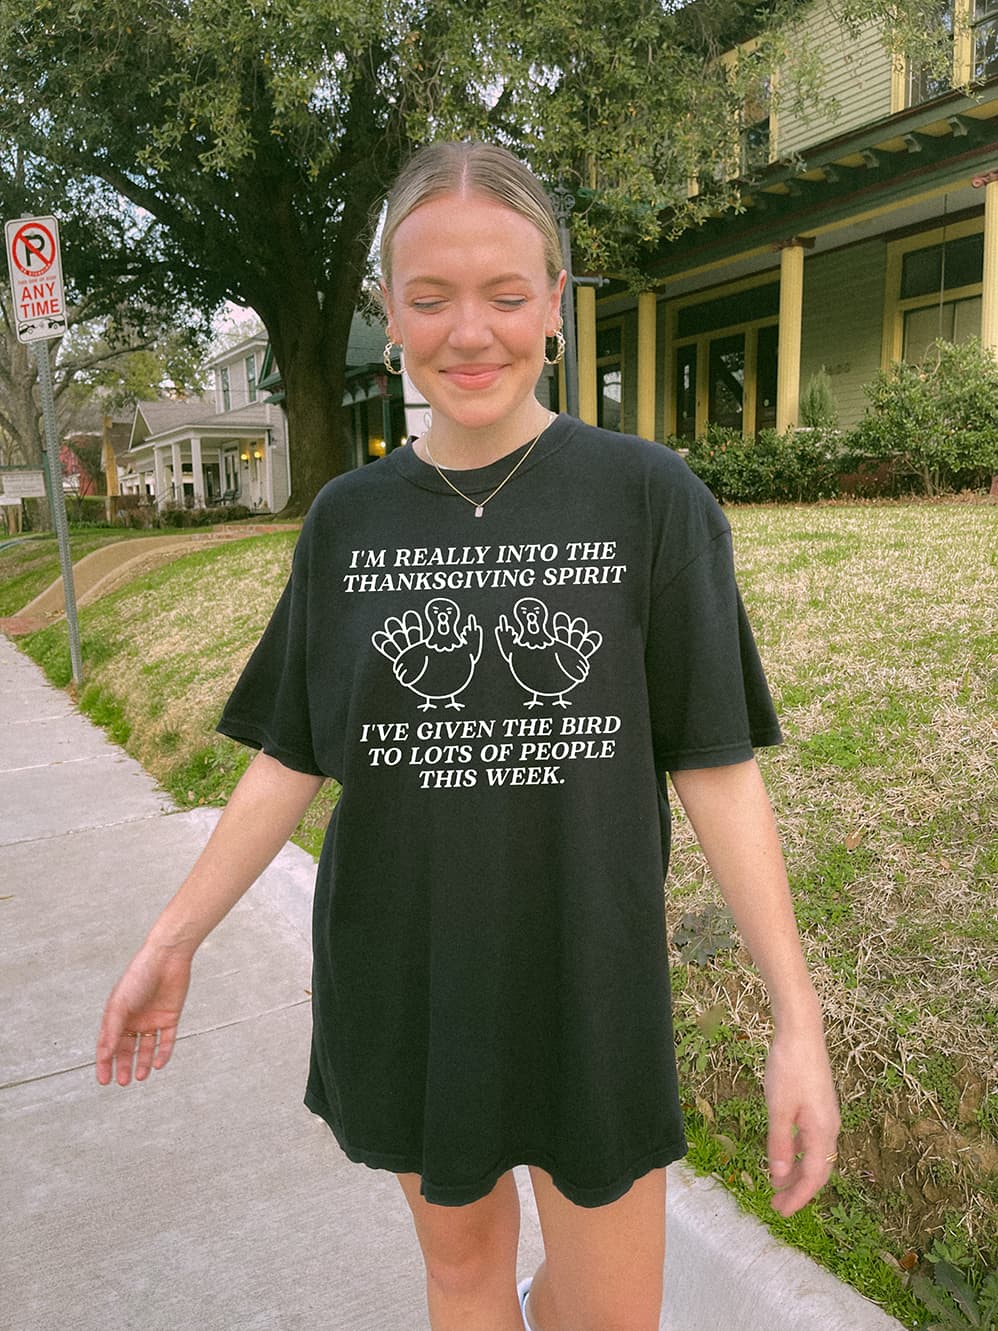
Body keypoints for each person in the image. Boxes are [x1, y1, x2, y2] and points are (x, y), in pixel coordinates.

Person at [96, 140, 840, 1331]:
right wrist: (171, 937)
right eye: (430, 297)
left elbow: (714, 762)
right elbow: (293, 751)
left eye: (503, 293)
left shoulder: (649, 498)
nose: (469, 331)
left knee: (609, 1316)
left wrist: (794, 1018)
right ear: (388, 312)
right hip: (406, 975)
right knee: (460, 1277)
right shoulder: (346, 520)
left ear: (553, 302)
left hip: (588, 975)